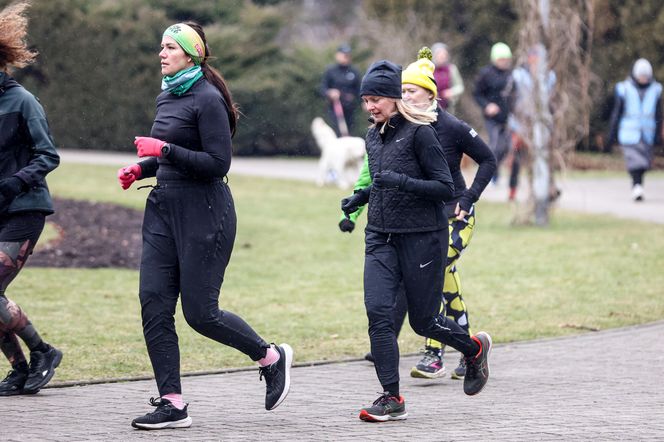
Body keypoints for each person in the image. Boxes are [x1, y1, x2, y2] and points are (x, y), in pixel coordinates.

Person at [117, 21, 293, 430]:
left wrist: (162, 149)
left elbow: (217, 163)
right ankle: (172, 403)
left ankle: (270, 357)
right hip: (162, 209)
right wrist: (142, 166)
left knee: (200, 313)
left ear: (191, 53)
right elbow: (168, 155)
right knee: (153, 303)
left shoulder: (207, 99)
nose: (161, 53)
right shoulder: (167, 96)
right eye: (159, 46)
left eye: (169, 47)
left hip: (205, 212)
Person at [341, 59, 492, 422]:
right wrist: (358, 199)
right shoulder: (372, 136)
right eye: (365, 100)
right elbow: (380, 180)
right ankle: (391, 397)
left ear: (395, 98)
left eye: (376, 98)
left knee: (424, 322)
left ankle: (473, 350)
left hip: (423, 237)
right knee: (378, 314)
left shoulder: (422, 133)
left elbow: (444, 188)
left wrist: (402, 183)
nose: (370, 106)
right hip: (379, 236)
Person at [0, 0, 63, 397]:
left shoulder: (22, 101)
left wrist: (13, 183)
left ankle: (43, 352)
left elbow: (49, 155)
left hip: (23, 209)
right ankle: (20, 369)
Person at [608, 58, 662, 201]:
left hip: (647, 134)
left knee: (644, 163)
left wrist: (658, 135)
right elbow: (617, 112)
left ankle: (637, 185)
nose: (643, 79)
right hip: (629, 133)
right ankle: (637, 187)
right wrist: (612, 134)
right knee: (634, 161)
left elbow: (658, 115)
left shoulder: (656, 90)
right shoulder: (624, 89)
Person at [508, 44, 556, 201]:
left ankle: (547, 189)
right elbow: (510, 98)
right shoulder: (518, 76)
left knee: (544, 156)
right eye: (533, 59)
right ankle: (513, 189)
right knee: (517, 157)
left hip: (541, 123)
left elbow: (552, 99)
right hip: (520, 122)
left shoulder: (550, 77)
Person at [473, 42, 515, 188]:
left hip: (508, 117)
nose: (504, 62)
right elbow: (477, 94)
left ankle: (496, 171)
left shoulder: (511, 75)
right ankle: (492, 175)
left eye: (506, 59)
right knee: (495, 146)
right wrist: (487, 106)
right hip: (492, 118)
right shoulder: (486, 74)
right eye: (501, 59)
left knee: (507, 147)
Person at [320, 44, 362, 137]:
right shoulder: (330, 71)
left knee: (349, 133)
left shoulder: (354, 71)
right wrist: (330, 93)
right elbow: (322, 89)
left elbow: (359, 90)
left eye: (347, 55)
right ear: (337, 55)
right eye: (343, 54)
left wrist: (363, 102)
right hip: (334, 108)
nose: (345, 57)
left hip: (350, 109)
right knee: (336, 133)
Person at [431, 42, 465, 114]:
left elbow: (460, 86)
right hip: (430, 106)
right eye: (439, 55)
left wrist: (451, 92)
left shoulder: (451, 69)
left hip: (448, 107)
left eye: (444, 55)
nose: (442, 57)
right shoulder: (428, 69)